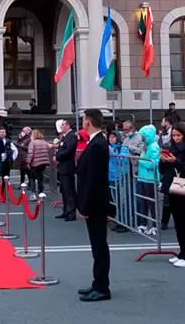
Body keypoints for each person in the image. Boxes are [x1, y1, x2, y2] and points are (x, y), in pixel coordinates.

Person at [76, 108, 112, 302]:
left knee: (99, 246)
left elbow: (93, 180)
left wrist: (85, 207)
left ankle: (102, 286)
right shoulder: (95, 142)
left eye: (83, 120)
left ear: (88, 122)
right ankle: (97, 282)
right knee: (96, 245)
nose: (82, 123)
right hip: (95, 202)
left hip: (96, 203)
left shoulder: (97, 144)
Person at [160, 122, 185, 268]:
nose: (176, 138)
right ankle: (183, 253)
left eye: (178, 135)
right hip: (172, 187)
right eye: (174, 135)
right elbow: (163, 170)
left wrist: (175, 162)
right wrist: (163, 160)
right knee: (178, 223)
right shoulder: (171, 148)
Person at [137, 125, 161, 235]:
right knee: (144, 202)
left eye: (142, 136)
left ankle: (155, 225)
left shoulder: (153, 147)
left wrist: (141, 161)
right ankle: (144, 224)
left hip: (150, 179)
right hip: (143, 177)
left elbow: (155, 164)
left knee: (151, 203)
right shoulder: (146, 146)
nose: (141, 138)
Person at [52, 119, 77, 222]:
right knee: (64, 191)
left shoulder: (71, 136)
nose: (61, 127)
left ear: (67, 126)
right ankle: (66, 210)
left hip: (67, 167)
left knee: (69, 191)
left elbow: (68, 150)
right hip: (62, 167)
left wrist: (58, 157)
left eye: (62, 125)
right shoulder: (65, 137)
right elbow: (61, 148)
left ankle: (71, 212)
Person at [26, 129, 50, 200]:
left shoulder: (32, 143)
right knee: (40, 178)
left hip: (35, 163)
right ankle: (41, 193)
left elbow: (30, 153)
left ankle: (33, 194)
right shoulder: (44, 142)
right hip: (43, 163)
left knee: (32, 178)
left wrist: (28, 162)